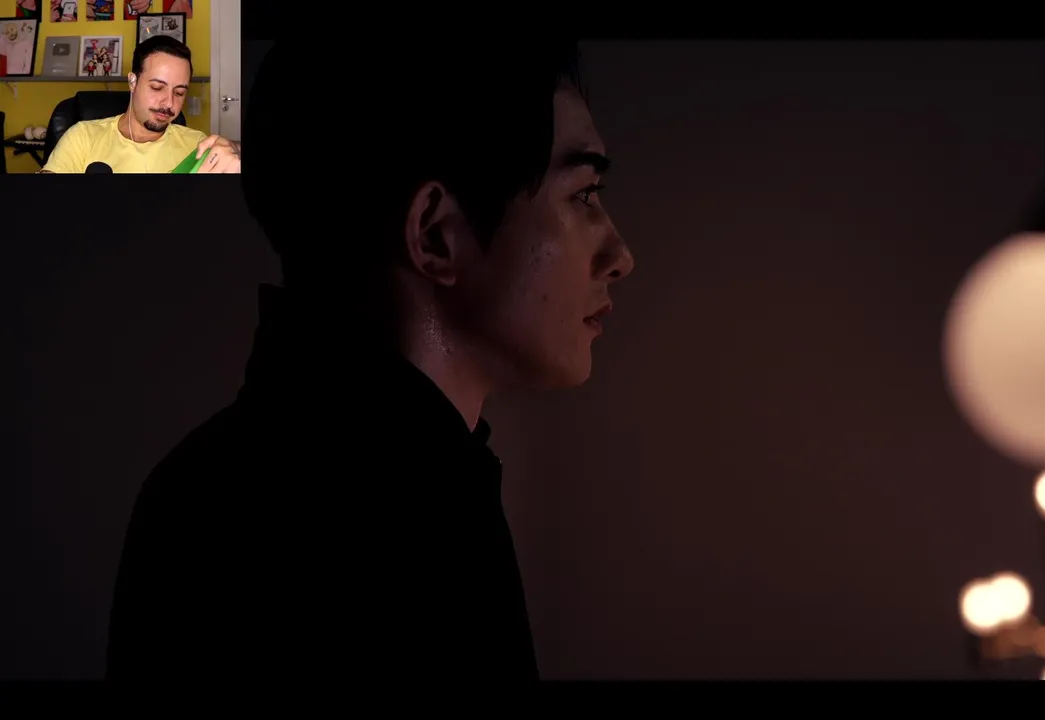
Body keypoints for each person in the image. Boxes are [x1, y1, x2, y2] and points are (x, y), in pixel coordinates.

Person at [103, 38, 634, 680]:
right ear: (435, 234)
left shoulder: (197, 489)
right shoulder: (408, 525)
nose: (620, 257)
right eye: (584, 195)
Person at [40, 36, 239, 174]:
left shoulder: (198, 146)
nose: (169, 103)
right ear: (133, 82)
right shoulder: (82, 137)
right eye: (157, 88)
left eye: (179, 92)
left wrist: (236, 150)